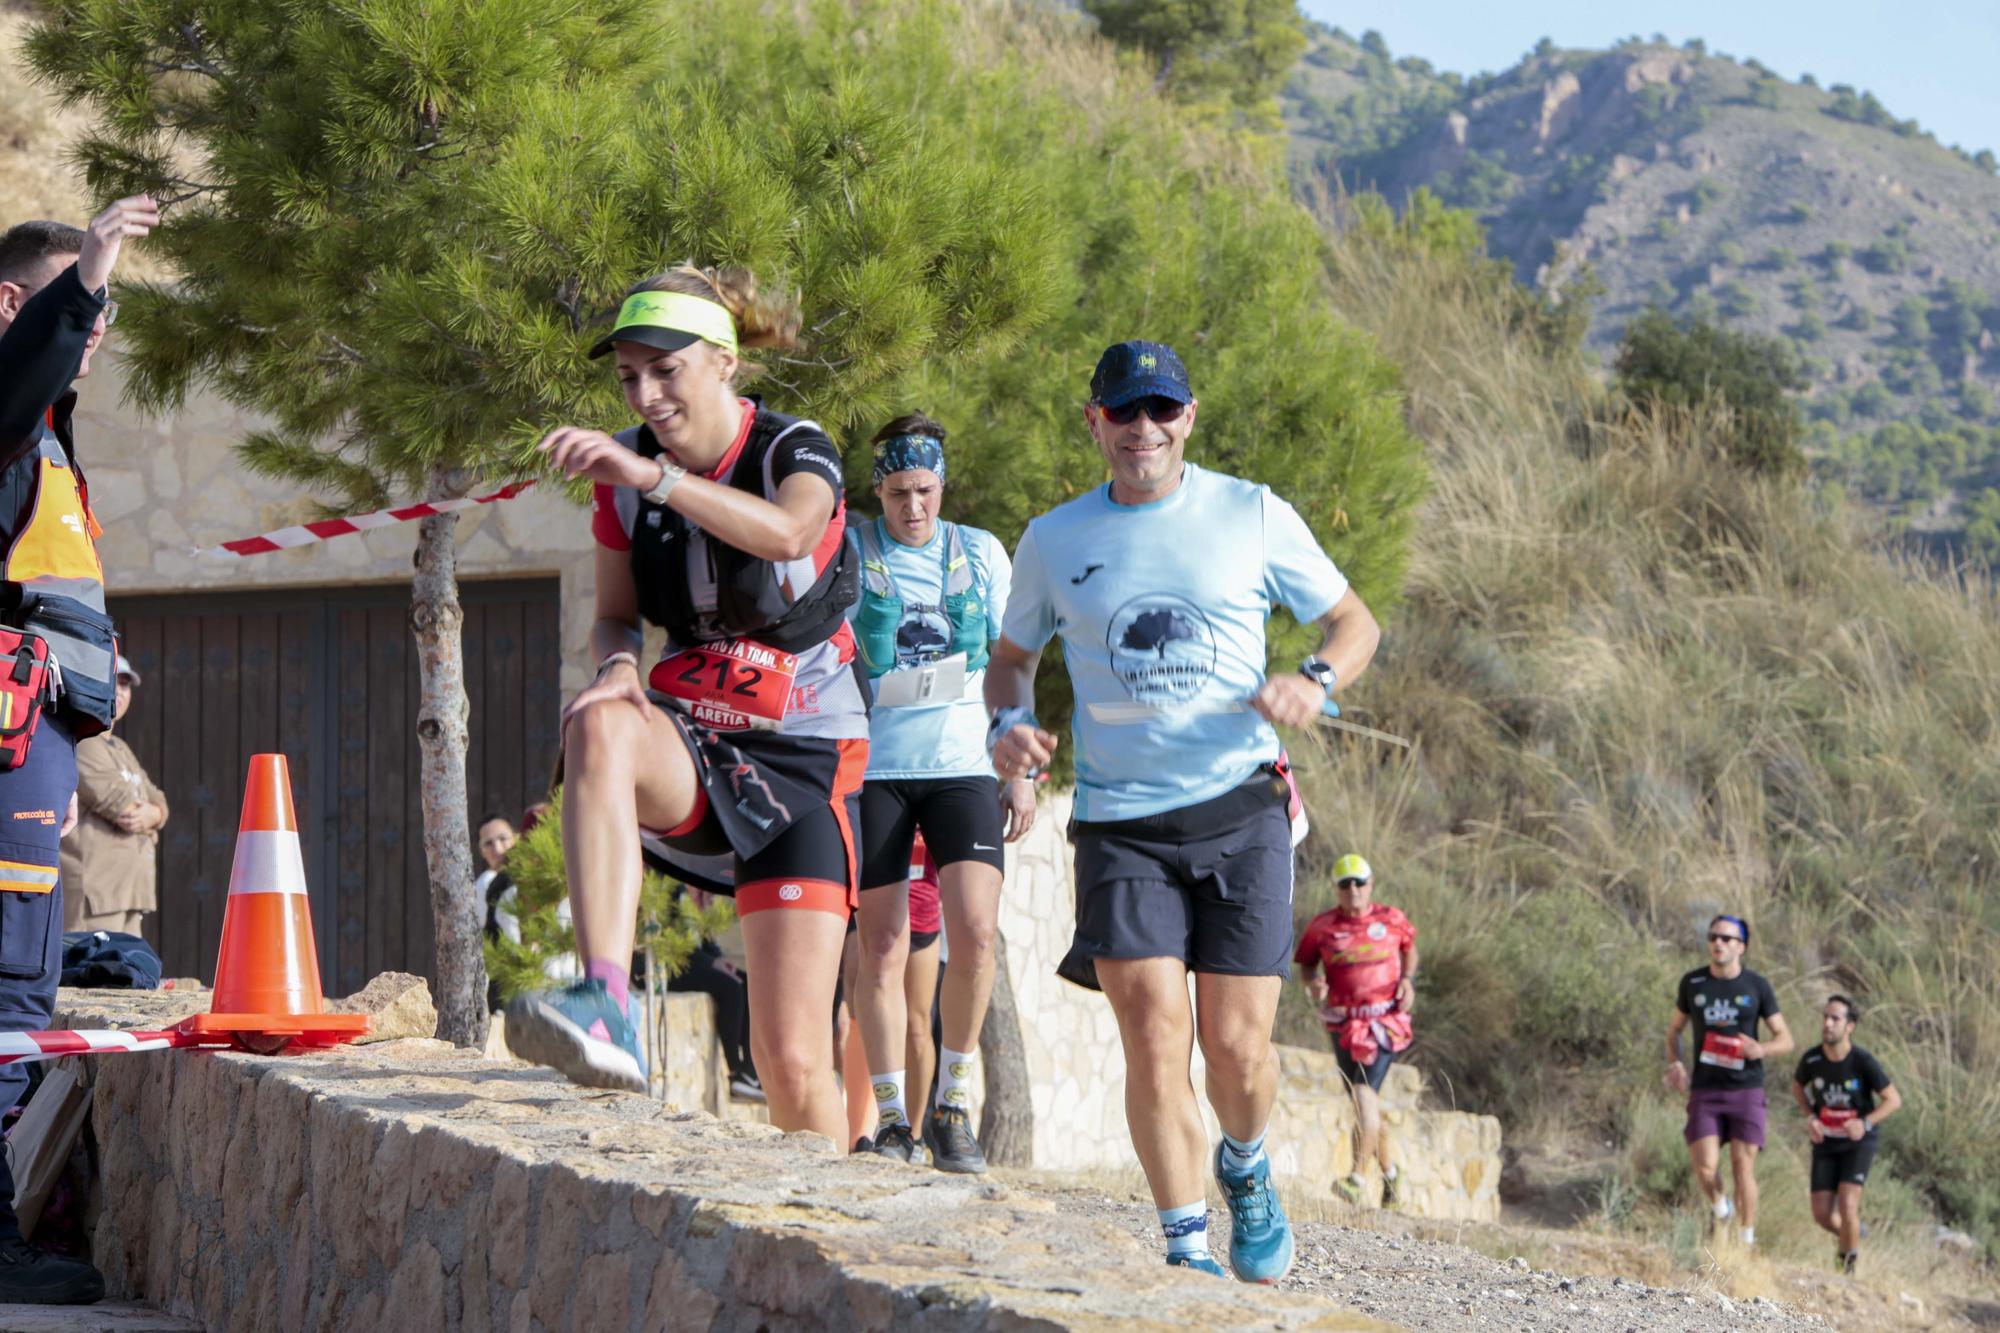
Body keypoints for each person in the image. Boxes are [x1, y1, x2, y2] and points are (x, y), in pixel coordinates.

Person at [986, 340, 1381, 1280]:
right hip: (1121, 823)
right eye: (1124, 412)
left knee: (1238, 1048)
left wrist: (1314, 682)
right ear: (1095, 423)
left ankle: (1244, 1165)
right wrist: (1009, 725)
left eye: (1162, 411)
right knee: (1154, 1033)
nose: (1143, 430)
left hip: (1241, 805)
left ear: (1188, 419)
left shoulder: (1248, 512)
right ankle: (1185, 1252)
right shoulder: (1054, 539)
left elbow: (1354, 623)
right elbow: (1012, 659)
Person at [508, 265, 864, 1144]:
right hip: (700, 740)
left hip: (809, 756)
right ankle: (605, 1002)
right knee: (595, 717)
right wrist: (620, 665)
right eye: (629, 374)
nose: (645, 391)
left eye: (666, 369)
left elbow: (789, 532)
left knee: (788, 1058)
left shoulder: (792, 446)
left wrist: (655, 475)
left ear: (724, 363)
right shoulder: (623, 479)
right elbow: (614, 617)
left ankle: (840, 1227)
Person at [0, 194, 156, 1306]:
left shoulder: (46, 441)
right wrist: (90, 267)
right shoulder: (12, 407)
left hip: (34, 734)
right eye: (80, 313)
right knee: (7, 987)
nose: (93, 335)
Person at [847, 414, 1032, 1172]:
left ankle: (952, 1103)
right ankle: (893, 1120)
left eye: (923, 491)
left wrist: (1017, 763)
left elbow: (1012, 663)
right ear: (878, 491)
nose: (911, 508)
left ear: (941, 486)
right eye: (896, 493)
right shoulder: (856, 551)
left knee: (976, 933)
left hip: (962, 763)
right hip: (878, 769)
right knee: (883, 944)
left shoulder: (981, 552)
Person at [1293, 853, 1415, 1208]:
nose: (1353, 890)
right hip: (1343, 1022)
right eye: (1345, 884)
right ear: (1336, 888)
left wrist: (1407, 980)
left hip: (1383, 1021)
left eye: (1359, 882)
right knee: (1365, 1105)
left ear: (1371, 884)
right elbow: (1305, 963)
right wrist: (1313, 983)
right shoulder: (1323, 926)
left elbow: (1410, 949)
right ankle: (1391, 1176)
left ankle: (1356, 1179)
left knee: (1364, 1094)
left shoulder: (1391, 919)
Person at [1665, 913, 1794, 1248]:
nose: (1718, 944)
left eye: (1726, 939)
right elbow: (1675, 1030)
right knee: (1705, 1166)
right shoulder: (1693, 984)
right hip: (1705, 1089)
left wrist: (1760, 1048)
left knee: (1742, 1165)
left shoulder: (1757, 986)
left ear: (1742, 946)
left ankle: (1745, 1240)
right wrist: (1676, 1063)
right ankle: (1721, 1208)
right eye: (1713, 937)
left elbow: (1786, 1039)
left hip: (1746, 1089)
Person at [59, 655, 168, 936]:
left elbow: (159, 800)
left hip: (129, 894)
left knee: (131, 977)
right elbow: (125, 812)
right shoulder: (83, 742)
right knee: (92, 976)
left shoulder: (119, 747)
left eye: (125, 684)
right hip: (95, 896)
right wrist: (152, 821)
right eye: (113, 681)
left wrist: (155, 815)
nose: (119, 691)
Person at [1793, 994, 1901, 1274]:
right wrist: (1811, 1117)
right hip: (1825, 1141)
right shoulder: (1812, 1059)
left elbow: (1893, 1100)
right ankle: (1853, 1234)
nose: (1828, 1024)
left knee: (1848, 1203)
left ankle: (1846, 1271)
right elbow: (1797, 1086)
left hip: (1858, 1142)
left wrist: (1865, 1123)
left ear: (1850, 1026)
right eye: (1825, 1017)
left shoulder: (1863, 1061)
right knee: (1821, 1214)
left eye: (1835, 1019)